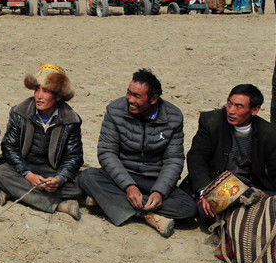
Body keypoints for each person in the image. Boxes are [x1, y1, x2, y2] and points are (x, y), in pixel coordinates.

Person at [79, 69, 196, 237]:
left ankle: (106, 202)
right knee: (87, 177)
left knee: (188, 207)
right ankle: (148, 216)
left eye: (137, 96)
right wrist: (129, 186)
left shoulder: (173, 117)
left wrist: (160, 192)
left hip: (153, 179)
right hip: (122, 175)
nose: (130, 99)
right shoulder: (115, 110)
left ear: (153, 99)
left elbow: (174, 160)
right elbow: (106, 152)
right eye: (129, 92)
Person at [0, 64, 83, 219]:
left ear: (58, 96)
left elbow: (74, 156)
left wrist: (59, 179)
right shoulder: (19, 112)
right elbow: (9, 147)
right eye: (37, 89)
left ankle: (14, 192)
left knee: (82, 183)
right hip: (24, 168)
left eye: (46, 91)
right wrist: (28, 175)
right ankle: (59, 205)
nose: (39, 96)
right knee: (1, 172)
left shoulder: (71, 119)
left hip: (52, 171)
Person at [183, 84, 276, 224]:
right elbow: (197, 157)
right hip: (217, 183)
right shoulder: (211, 121)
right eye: (229, 103)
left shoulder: (269, 133)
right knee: (207, 211)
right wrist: (205, 191)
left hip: (250, 186)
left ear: (254, 110)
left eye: (239, 106)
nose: (231, 111)